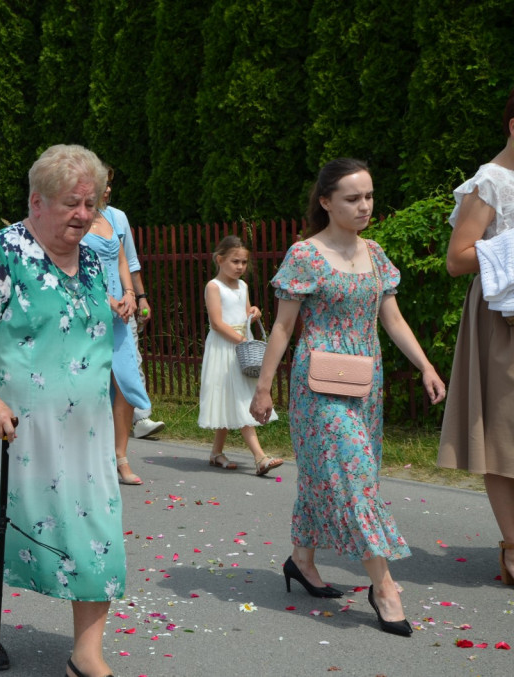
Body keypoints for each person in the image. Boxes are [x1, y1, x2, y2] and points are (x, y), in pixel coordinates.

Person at [0, 144, 125, 677]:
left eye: (91, 204)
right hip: (7, 430)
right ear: (36, 202)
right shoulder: (2, 254)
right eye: (72, 204)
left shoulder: (90, 257)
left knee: (97, 536)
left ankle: (86, 655)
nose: (84, 216)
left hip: (84, 436)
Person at [249, 158, 446, 636]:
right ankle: (385, 587)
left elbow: (392, 319)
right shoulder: (305, 256)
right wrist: (262, 386)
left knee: (327, 473)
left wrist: (426, 366)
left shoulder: (375, 254)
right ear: (325, 202)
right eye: (352, 198)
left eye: (369, 196)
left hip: (366, 384)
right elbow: (282, 325)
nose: (364, 206)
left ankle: (301, 560)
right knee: (355, 477)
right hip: (318, 387)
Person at [438, 87, 514, 586]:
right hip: (502, 321)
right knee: (506, 433)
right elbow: (456, 259)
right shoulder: (491, 182)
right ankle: (513, 544)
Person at [82, 175, 148, 485]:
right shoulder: (75, 221)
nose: (108, 189)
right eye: (101, 184)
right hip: (88, 312)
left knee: (125, 382)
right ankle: (91, 455)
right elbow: (73, 269)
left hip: (120, 314)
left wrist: (130, 294)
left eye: (109, 184)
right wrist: (107, 300)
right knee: (93, 385)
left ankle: (120, 456)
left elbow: (122, 257)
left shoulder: (112, 217)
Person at [199, 235, 283, 475]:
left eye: (244, 262)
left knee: (235, 396)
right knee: (241, 399)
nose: (240, 267)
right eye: (235, 261)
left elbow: (244, 313)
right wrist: (242, 341)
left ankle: (216, 453)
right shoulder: (214, 287)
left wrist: (253, 313)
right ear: (219, 259)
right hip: (225, 347)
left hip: (241, 347)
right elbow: (216, 323)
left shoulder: (243, 286)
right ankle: (260, 457)